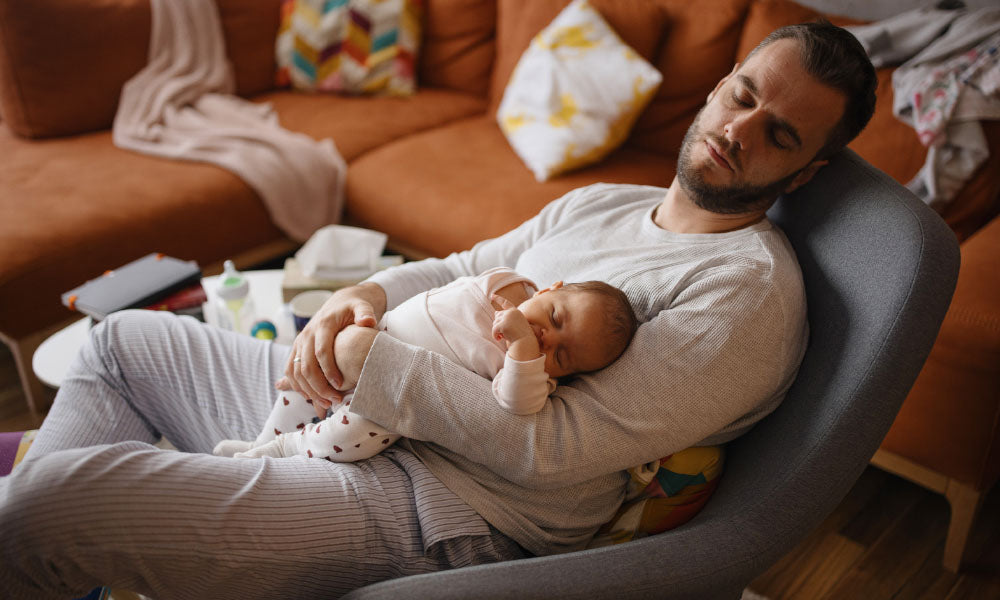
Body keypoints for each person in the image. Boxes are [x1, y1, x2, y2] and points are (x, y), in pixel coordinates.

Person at [0, 21, 877, 599]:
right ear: (725, 83)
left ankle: (59, 537)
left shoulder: (743, 295)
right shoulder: (607, 202)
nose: (739, 129)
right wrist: (363, 297)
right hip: (359, 412)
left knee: (45, 510)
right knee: (117, 342)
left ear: (805, 175)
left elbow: (552, 448)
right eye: (745, 94)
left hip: (446, 505)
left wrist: (367, 361)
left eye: (781, 135)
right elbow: (466, 265)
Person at [212, 267, 638, 460]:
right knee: (304, 383)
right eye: (556, 317)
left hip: (390, 403)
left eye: (562, 355)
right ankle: (261, 440)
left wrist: (524, 349)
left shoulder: (529, 374)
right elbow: (451, 276)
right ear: (551, 287)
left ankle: (284, 450)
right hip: (379, 330)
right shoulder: (507, 284)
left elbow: (519, 405)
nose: (549, 338)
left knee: (351, 436)